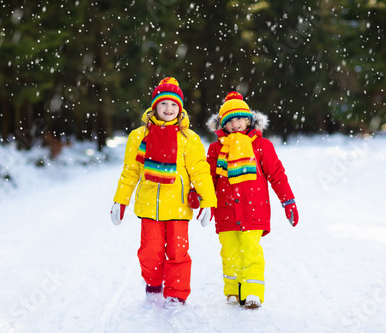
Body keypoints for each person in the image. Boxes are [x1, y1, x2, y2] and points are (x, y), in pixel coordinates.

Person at [110, 77, 217, 307]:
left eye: (173, 105)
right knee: (150, 251)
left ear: (180, 109)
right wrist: (120, 201)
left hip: (179, 206)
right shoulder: (139, 136)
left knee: (178, 252)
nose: (168, 109)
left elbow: (200, 172)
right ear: (154, 106)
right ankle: (153, 282)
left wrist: (209, 201)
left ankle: (177, 293)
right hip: (150, 205)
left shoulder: (189, 139)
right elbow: (130, 172)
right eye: (163, 104)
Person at [205, 91, 299, 310]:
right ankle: (233, 291)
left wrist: (288, 201)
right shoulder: (216, 149)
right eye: (230, 121)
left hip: (253, 210)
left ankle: (253, 292)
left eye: (241, 119)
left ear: (249, 120)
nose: (236, 124)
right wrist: (202, 199)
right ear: (223, 125)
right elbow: (208, 178)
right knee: (229, 252)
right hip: (226, 210)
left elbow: (277, 175)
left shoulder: (262, 146)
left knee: (251, 250)